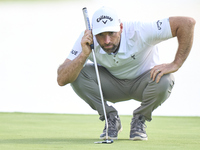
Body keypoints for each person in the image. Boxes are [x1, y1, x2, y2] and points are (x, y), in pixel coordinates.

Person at [57, 6, 195, 141]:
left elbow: (187, 23)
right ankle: (111, 119)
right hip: (111, 85)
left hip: (145, 83)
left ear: (121, 28)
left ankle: (139, 119)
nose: (107, 41)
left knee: (166, 78)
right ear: (93, 33)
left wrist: (176, 63)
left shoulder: (140, 31)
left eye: (112, 33)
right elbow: (62, 78)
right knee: (76, 72)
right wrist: (83, 55)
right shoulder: (86, 39)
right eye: (101, 35)